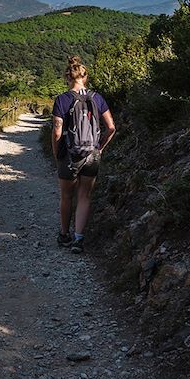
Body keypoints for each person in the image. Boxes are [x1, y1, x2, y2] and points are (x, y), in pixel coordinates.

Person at [51, 56, 116, 253]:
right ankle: (79, 239)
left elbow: (56, 132)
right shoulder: (97, 98)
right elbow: (111, 127)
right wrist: (100, 148)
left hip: (69, 156)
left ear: (67, 77)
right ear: (85, 77)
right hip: (92, 155)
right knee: (85, 196)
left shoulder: (62, 100)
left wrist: (57, 153)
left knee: (66, 196)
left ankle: (64, 235)